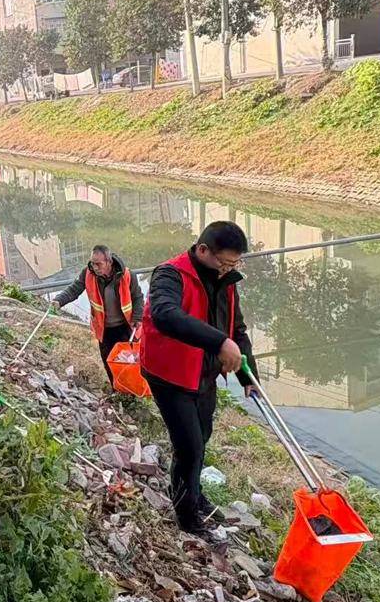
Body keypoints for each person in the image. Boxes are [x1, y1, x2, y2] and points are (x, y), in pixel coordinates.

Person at [139, 221, 260, 536]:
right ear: (203, 250)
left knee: (202, 436)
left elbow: (237, 330)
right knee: (189, 447)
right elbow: (166, 315)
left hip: (204, 374)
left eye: (234, 265)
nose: (227, 270)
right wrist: (219, 343)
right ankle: (187, 517)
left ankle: (192, 491)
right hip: (170, 375)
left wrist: (249, 376)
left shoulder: (225, 280)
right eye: (224, 263)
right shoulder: (169, 274)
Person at [52, 245, 143, 387]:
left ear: (109, 262)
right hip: (104, 329)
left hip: (125, 328)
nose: (95, 267)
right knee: (109, 362)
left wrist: (137, 317)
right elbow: (74, 289)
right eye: (93, 263)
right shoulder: (88, 274)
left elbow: (137, 297)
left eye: (98, 264)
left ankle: (131, 390)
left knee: (128, 363)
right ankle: (116, 389)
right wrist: (59, 301)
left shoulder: (126, 275)